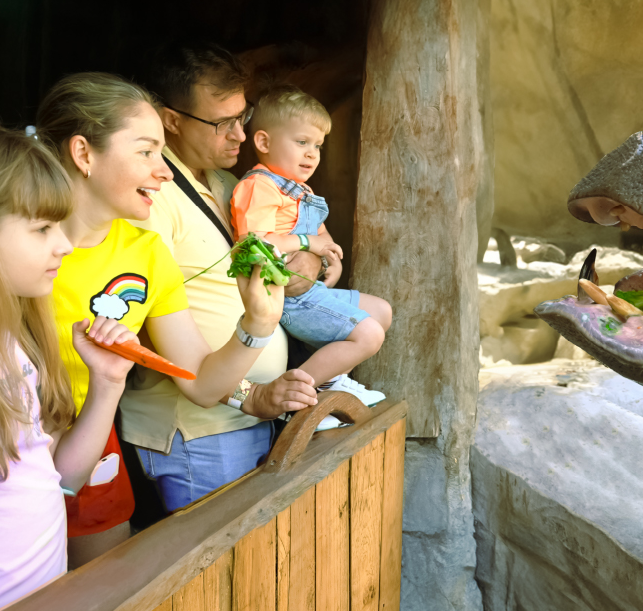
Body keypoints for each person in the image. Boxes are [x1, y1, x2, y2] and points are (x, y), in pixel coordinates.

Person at [36, 72, 286, 543]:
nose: (166, 171)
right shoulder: (10, 244)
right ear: (84, 153)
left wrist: (258, 323)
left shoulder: (147, 253)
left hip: (91, 442)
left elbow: (201, 383)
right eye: (147, 151)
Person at [0, 113, 136, 611]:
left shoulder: (9, 340)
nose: (63, 246)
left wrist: (107, 384)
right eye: (42, 228)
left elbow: (60, 480)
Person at [122, 45, 317, 509]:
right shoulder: (151, 200)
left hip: (252, 415)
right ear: (171, 120)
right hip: (198, 430)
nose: (240, 134)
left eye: (242, 115)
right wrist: (253, 394)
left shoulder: (231, 185)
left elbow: (301, 261)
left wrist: (313, 263)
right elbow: (155, 330)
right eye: (221, 122)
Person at [230, 88, 391, 415]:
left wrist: (328, 256)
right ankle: (299, 396)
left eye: (317, 145)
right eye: (301, 142)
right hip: (284, 297)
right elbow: (254, 243)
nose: (312, 154)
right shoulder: (258, 186)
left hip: (310, 289)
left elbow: (318, 230)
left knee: (382, 312)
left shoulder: (301, 190)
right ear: (263, 143)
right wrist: (307, 245)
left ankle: (329, 381)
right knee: (369, 335)